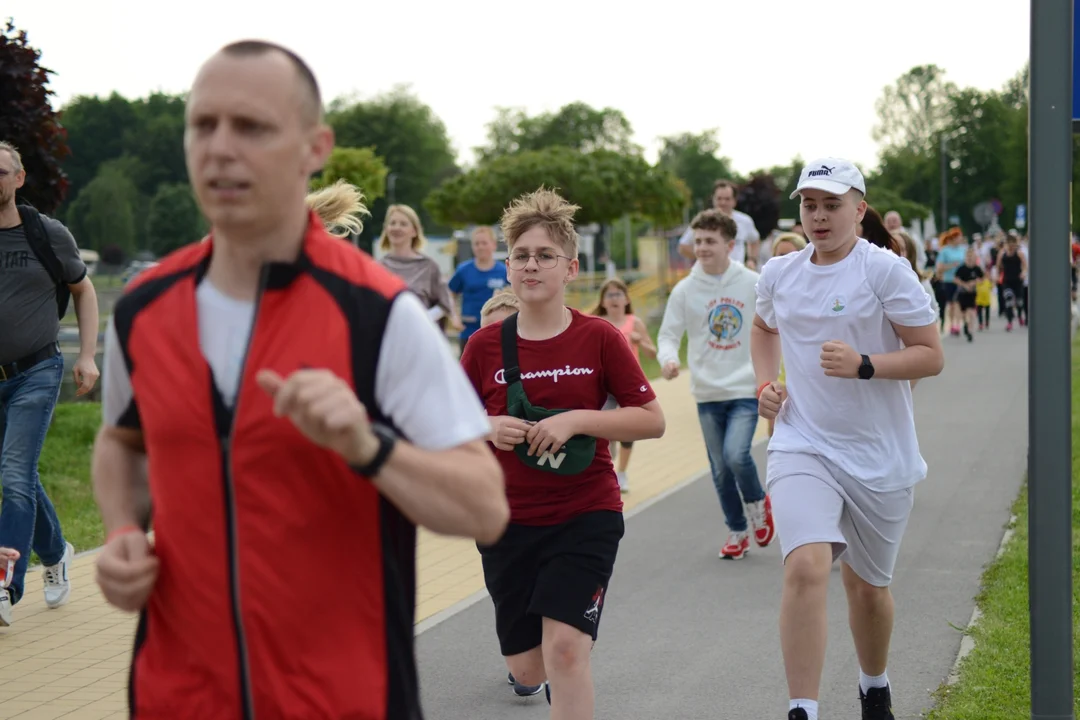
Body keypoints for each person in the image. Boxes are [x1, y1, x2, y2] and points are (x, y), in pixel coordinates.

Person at [91, 40, 509, 719]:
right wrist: (118, 534)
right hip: (177, 697)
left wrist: (366, 443)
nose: (220, 148)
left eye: (251, 127)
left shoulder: (377, 316)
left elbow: (486, 507)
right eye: (203, 125)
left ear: (315, 147)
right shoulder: (143, 311)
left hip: (344, 698)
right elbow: (122, 442)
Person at [460, 187, 665, 719]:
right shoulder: (483, 347)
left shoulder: (599, 338)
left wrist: (575, 419)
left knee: (567, 651)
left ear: (571, 268)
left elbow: (652, 420)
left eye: (545, 255)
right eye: (522, 255)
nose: (532, 265)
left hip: (585, 513)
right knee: (530, 670)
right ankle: (542, 670)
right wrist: (487, 427)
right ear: (508, 267)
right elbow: (446, 426)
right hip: (507, 522)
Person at [751, 158, 944, 720]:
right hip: (802, 442)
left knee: (867, 589)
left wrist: (865, 365)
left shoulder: (884, 271)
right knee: (806, 565)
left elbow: (930, 356)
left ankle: (873, 684)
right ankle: (803, 708)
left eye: (832, 204)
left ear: (859, 210)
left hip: (878, 455)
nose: (818, 216)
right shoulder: (780, 273)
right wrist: (767, 383)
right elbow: (763, 329)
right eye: (809, 204)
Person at [0, 139, 101, 626]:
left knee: (14, 475)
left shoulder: (47, 233)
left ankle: (5, 586)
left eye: (1, 171)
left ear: (19, 179)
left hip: (37, 371)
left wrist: (86, 355)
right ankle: (56, 552)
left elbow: (84, 290)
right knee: (19, 475)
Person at [658, 209, 775, 559]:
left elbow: (773, 328)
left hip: (743, 387)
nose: (703, 247)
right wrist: (668, 359)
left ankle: (757, 503)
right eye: (698, 241)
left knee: (736, 455)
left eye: (710, 241)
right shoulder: (684, 290)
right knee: (720, 469)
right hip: (707, 392)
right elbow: (668, 335)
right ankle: (737, 531)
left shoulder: (752, 283)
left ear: (729, 244)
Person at [591, 278, 658, 493]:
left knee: (628, 428)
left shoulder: (634, 322)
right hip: (603, 385)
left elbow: (652, 353)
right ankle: (607, 469)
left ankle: (622, 473)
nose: (614, 299)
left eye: (618, 294)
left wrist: (640, 341)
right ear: (602, 301)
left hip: (630, 385)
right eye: (609, 295)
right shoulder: (596, 323)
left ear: (626, 299)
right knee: (605, 431)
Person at [379, 203, 462, 331]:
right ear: (386, 228)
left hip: (420, 338)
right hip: (388, 338)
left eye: (403, 224)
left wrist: (423, 319)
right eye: (392, 223)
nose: (396, 228)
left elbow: (444, 304)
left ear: (414, 231)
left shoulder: (428, 266)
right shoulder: (378, 267)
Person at [449, 225, 508, 349]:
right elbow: (450, 293)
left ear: (494, 245)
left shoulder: (503, 271)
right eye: (476, 243)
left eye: (484, 243)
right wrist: (454, 317)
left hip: (495, 331)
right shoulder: (464, 270)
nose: (480, 247)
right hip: (468, 330)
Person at [677, 180, 761, 266]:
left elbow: (755, 240)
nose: (723, 202)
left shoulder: (745, 221)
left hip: (737, 274)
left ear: (734, 201)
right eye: (719, 198)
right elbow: (683, 247)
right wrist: (704, 256)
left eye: (727, 199)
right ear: (713, 199)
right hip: (709, 274)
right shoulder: (703, 221)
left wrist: (752, 260)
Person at [935, 228, 968, 336]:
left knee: (958, 303)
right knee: (951, 304)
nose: (960, 240)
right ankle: (952, 324)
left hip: (961, 280)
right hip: (948, 280)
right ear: (953, 238)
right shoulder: (945, 250)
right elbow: (939, 268)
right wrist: (951, 265)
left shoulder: (963, 249)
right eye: (958, 238)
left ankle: (957, 325)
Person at [953, 247, 984, 342]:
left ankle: (970, 331)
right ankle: (965, 325)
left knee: (971, 311)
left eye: (972, 256)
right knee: (963, 313)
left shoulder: (977, 268)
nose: (970, 258)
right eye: (968, 256)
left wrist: (974, 282)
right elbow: (956, 279)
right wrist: (965, 285)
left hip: (972, 293)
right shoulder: (961, 268)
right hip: (962, 293)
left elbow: (982, 279)